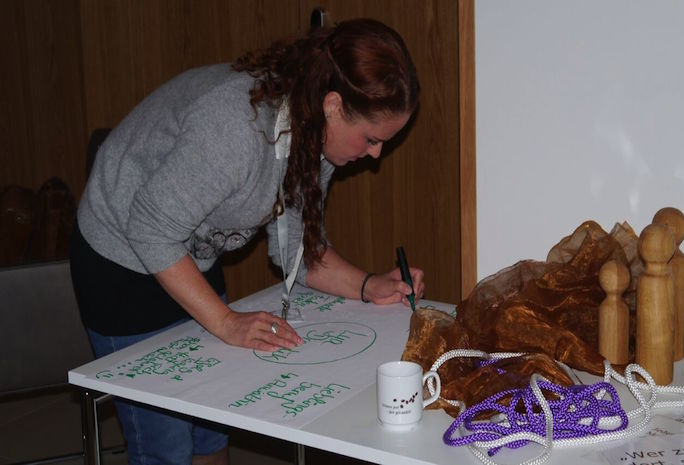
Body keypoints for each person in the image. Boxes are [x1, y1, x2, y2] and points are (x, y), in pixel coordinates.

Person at [70, 18, 424, 465]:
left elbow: (295, 247)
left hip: (186, 251)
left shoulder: (314, 136)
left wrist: (369, 284)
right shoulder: (236, 128)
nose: (375, 154)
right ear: (333, 105)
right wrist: (225, 321)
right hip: (120, 257)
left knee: (212, 432)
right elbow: (149, 227)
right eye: (372, 139)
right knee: (167, 446)